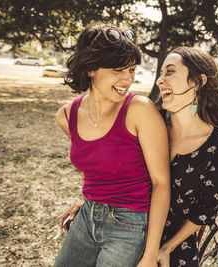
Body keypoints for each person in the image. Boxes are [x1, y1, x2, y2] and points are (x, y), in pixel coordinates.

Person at [53, 23, 170, 267]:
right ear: (91, 69)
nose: (127, 79)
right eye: (118, 70)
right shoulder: (66, 116)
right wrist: (87, 200)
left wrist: (149, 256)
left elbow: (161, 183)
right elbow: (95, 168)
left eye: (132, 69)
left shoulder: (140, 110)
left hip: (130, 223)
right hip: (87, 218)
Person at [155, 47, 218, 267]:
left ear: (197, 82)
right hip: (131, 223)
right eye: (161, 73)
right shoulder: (152, 120)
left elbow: (205, 211)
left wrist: (166, 248)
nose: (159, 81)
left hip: (176, 238)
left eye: (169, 72)